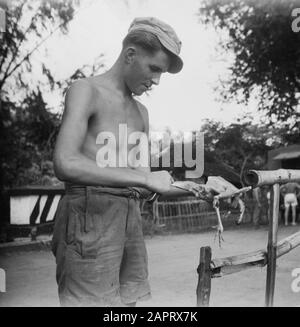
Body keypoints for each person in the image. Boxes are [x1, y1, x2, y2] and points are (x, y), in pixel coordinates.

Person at [52, 17, 228, 307]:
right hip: (88, 214)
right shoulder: (86, 90)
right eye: (154, 68)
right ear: (130, 54)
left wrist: (201, 187)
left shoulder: (141, 113)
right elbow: (65, 162)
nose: (156, 81)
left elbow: (147, 183)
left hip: (129, 216)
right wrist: (144, 179)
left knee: (131, 304)